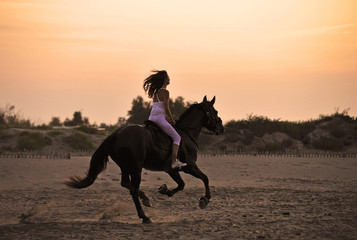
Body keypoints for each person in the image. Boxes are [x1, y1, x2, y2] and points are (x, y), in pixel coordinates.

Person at [143, 70, 187, 169]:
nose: (169, 78)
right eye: (167, 77)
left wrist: (167, 119)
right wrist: (172, 120)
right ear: (164, 80)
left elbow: (158, 109)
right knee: (177, 138)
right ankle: (174, 161)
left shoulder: (156, 93)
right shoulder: (165, 92)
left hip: (152, 118)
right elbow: (166, 109)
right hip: (159, 119)